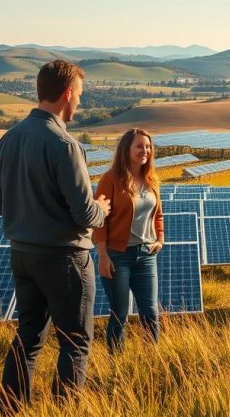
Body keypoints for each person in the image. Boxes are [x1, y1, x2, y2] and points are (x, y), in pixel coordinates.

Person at [0, 60, 110, 412]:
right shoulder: (65, 145)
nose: (79, 105)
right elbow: (85, 214)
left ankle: (11, 409)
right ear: (67, 94)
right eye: (79, 97)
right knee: (75, 342)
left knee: (27, 337)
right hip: (65, 259)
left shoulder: (8, 140)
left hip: (22, 255)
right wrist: (102, 207)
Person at [93, 128, 164, 353]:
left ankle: (151, 360)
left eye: (148, 146)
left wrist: (160, 239)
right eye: (139, 146)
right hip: (117, 256)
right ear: (126, 149)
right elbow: (99, 220)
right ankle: (117, 364)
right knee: (119, 314)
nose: (145, 151)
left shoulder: (151, 178)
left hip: (146, 255)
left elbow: (158, 214)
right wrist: (103, 256)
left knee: (150, 313)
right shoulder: (110, 179)